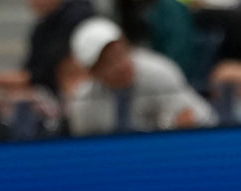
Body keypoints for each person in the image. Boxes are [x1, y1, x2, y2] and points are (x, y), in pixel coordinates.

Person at [62, 13, 215, 134]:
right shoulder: (83, 103)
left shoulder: (159, 73)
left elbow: (188, 120)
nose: (121, 65)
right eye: (108, 62)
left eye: (120, 54)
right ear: (92, 72)